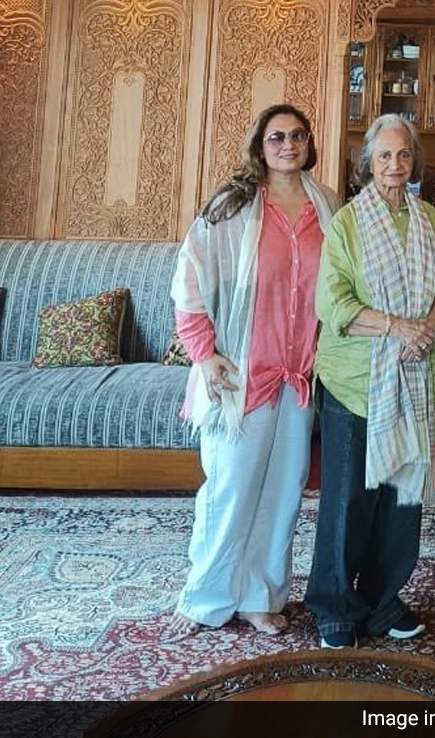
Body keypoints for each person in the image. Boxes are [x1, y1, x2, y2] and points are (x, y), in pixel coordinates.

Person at [168, 104, 338, 636]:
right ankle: (206, 599)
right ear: (259, 146)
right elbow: (188, 280)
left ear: (310, 143)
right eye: (276, 137)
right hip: (239, 375)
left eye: (298, 136)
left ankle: (261, 596)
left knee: (284, 491)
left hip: (298, 375)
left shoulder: (327, 206)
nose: (288, 145)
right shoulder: (232, 205)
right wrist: (204, 352)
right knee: (229, 490)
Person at [306, 114, 435, 650]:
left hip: (411, 373)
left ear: (413, 161)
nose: (395, 165)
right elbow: (334, 303)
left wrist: (429, 329)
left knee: (401, 496)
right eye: (385, 156)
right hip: (356, 378)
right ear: (368, 162)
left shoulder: (429, 219)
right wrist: (399, 328)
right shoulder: (347, 223)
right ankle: (333, 605)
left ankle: (380, 600)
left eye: (404, 155)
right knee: (350, 499)